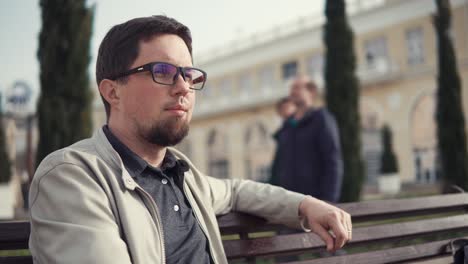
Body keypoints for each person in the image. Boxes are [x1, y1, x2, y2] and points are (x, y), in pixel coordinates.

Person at [28, 16, 351, 264]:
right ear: (113, 91)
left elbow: (237, 190)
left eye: (189, 75)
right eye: (163, 71)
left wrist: (305, 204)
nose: (184, 87)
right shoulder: (73, 176)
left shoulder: (182, 174)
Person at [275, 76, 343, 203]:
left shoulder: (321, 118)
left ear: (311, 92)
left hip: (316, 201)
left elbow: (332, 160)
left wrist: (329, 200)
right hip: (289, 202)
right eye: (291, 88)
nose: (292, 92)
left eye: (297, 88)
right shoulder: (287, 125)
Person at [269, 97, 296, 185]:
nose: (285, 111)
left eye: (287, 107)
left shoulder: (298, 127)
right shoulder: (283, 131)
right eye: (282, 109)